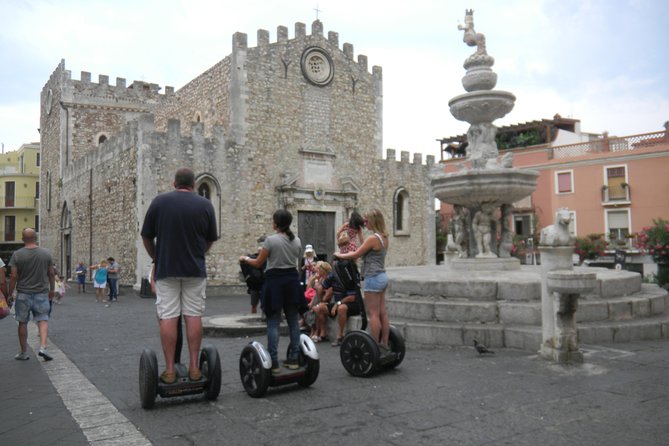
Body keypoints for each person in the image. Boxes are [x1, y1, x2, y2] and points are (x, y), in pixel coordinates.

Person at [141, 167, 218, 384]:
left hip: (167, 269)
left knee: (168, 316)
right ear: (193, 185)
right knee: (193, 315)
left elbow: (146, 236)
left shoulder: (159, 202)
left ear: (174, 183)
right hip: (194, 269)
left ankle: (170, 370)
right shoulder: (205, 205)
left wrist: (156, 257)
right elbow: (211, 238)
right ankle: (194, 367)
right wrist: (199, 253)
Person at [239, 209, 303, 374]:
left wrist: (245, 259)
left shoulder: (271, 240)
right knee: (293, 322)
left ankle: (273, 362)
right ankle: (294, 358)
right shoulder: (297, 241)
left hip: (275, 282)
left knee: (273, 322)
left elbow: (258, 263)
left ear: (276, 223)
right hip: (292, 282)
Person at [334, 209, 391, 352]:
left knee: (373, 314)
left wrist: (339, 255)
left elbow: (357, 253)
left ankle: (374, 346)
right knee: (382, 312)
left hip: (372, 277)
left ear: (373, 221)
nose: (364, 223)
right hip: (382, 276)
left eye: (366, 221)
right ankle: (384, 343)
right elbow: (364, 248)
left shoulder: (373, 239)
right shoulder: (384, 237)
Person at [8, 228, 56, 361]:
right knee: (43, 319)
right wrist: (52, 289)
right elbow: (51, 273)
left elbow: (13, 276)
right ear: (36, 238)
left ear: (23, 239)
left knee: (22, 322)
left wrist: (10, 293)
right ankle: (43, 348)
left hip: (23, 294)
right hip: (41, 293)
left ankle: (23, 352)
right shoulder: (46, 253)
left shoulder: (17, 255)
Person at [313, 261, 359, 346]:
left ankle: (340, 336)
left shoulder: (349, 277)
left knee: (342, 308)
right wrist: (322, 302)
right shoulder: (333, 276)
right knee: (318, 308)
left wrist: (337, 304)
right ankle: (323, 333)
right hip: (338, 303)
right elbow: (320, 288)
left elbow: (351, 298)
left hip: (351, 303)